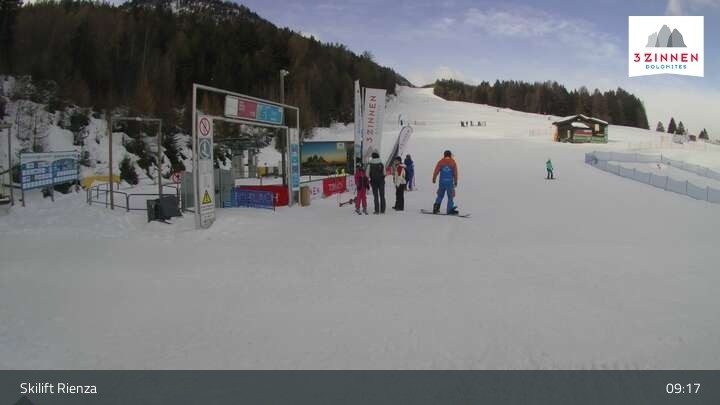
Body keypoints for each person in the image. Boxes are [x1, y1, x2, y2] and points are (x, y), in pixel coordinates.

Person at [432, 150, 458, 215]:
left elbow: (436, 170)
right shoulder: (453, 162)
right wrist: (455, 181)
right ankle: (449, 209)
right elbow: (455, 173)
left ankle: (436, 207)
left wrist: (434, 178)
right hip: (449, 183)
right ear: (450, 155)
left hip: (442, 182)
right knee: (450, 196)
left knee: (440, 195)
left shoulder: (440, 162)